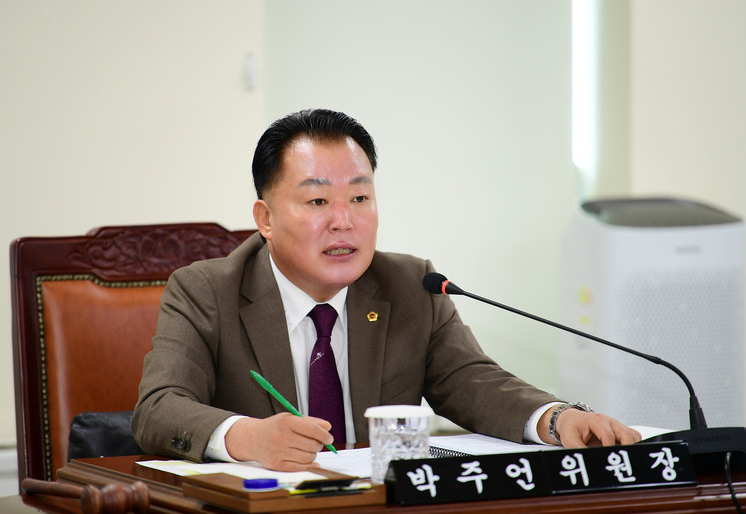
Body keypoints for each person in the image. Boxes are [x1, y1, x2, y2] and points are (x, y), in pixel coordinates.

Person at [132, 108, 641, 471]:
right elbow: (158, 407)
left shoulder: (411, 285)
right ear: (265, 219)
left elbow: (472, 382)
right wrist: (247, 437)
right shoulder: (206, 291)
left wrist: (555, 418)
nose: (343, 221)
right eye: (317, 202)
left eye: (360, 198)